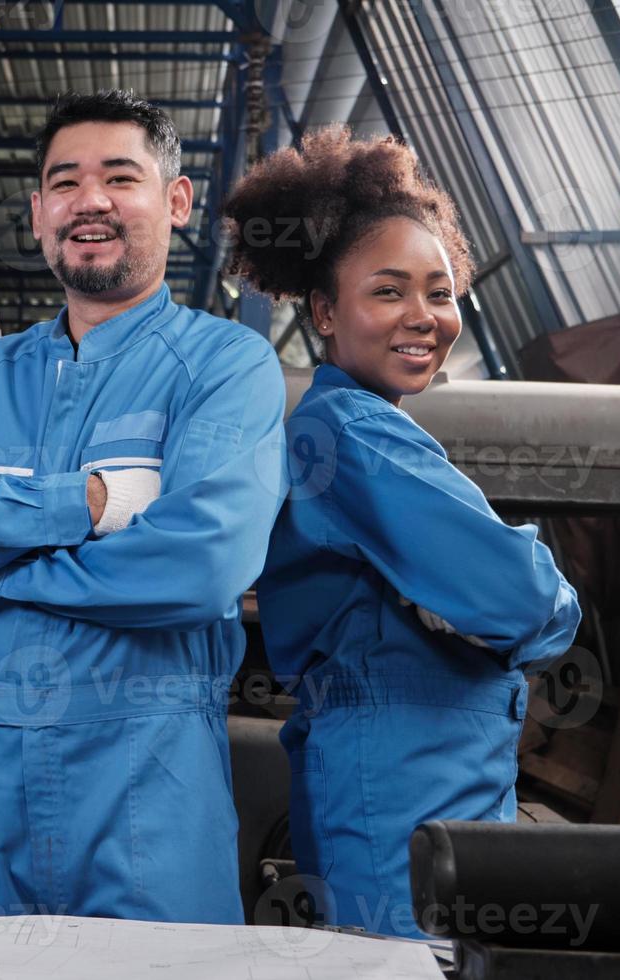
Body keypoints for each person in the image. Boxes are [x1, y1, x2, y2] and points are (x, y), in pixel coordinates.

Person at [0, 91, 286, 923]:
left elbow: (200, 566)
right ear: (38, 213)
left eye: (120, 177)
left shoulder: (224, 367)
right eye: (64, 182)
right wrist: (85, 504)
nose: (90, 201)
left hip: (150, 823)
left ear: (178, 201)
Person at [225, 127, 581, 937]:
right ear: (324, 310)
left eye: (441, 291)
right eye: (388, 291)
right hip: (399, 786)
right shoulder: (353, 436)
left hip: (426, 777)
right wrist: (551, 600)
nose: (423, 317)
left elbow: (493, 602)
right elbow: (523, 599)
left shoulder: (372, 427)